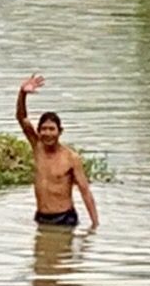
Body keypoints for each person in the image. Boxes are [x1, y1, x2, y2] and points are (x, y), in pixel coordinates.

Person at [15, 73, 98, 230]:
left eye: (52, 129)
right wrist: (22, 93)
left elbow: (85, 191)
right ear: (39, 132)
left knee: (62, 255)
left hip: (64, 218)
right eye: (44, 129)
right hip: (41, 217)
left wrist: (94, 225)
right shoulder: (38, 147)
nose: (47, 133)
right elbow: (21, 118)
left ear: (60, 132)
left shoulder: (71, 158)